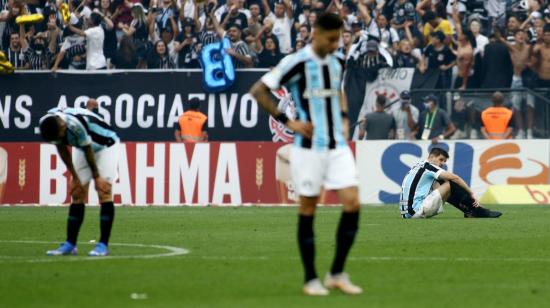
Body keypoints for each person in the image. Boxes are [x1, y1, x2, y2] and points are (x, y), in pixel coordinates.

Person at [250, 12, 362, 296]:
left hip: (337, 145)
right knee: (308, 208)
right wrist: (289, 122)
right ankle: (311, 279)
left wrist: (346, 117)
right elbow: (259, 91)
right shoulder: (296, 62)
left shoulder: (338, 59)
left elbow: (338, 90)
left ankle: (336, 273)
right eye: (332, 39)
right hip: (308, 149)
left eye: (339, 39)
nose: (337, 44)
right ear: (316, 34)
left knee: (352, 203)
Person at [39, 105, 120, 257]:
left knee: (103, 190)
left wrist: (97, 177)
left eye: (61, 135)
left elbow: (89, 149)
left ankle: (103, 244)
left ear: (63, 125)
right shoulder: (48, 123)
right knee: (77, 191)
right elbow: (62, 148)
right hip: (82, 147)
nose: (61, 139)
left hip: (105, 145)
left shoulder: (75, 124)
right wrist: (74, 176)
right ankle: (70, 244)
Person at [400, 147, 502, 219]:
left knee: (444, 185)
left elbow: (438, 190)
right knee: (450, 183)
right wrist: (471, 194)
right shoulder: (429, 167)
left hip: (406, 213)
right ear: (431, 156)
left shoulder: (418, 166)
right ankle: (477, 210)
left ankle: (470, 211)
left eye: (444, 161)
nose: (442, 163)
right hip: (416, 211)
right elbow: (455, 178)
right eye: (441, 159)